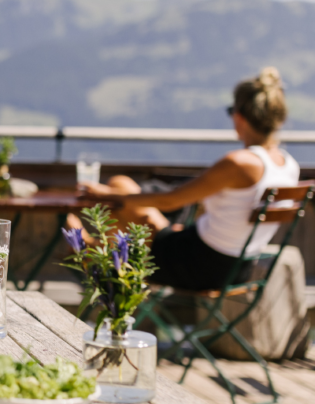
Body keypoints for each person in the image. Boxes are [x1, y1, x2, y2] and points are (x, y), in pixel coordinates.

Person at [80, 68, 299, 291]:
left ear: (239, 117)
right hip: (238, 269)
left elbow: (171, 200)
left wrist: (108, 195)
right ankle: (98, 258)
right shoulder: (289, 166)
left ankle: (87, 252)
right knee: (123, 195)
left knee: (118, 188)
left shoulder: (240, 163)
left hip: (196, 265)